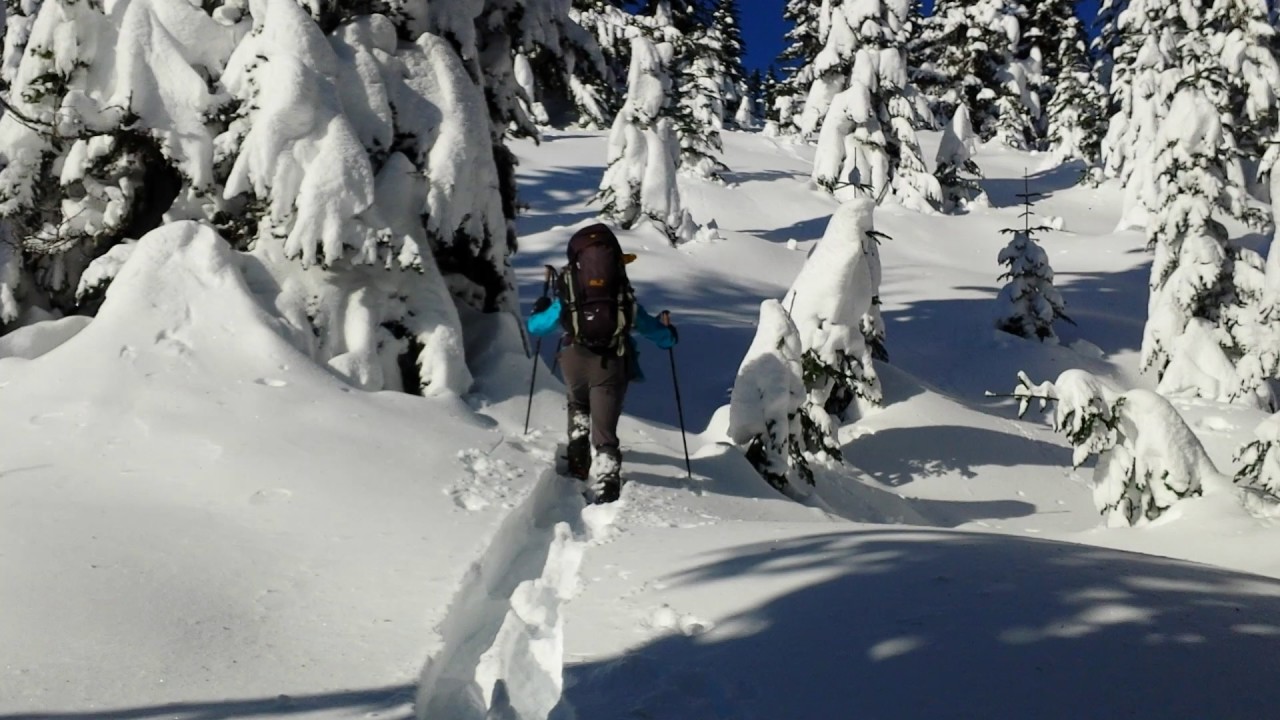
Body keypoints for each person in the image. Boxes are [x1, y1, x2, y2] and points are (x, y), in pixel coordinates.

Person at [526, 223, 678, 503]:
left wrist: (540, 309)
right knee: (605, 430)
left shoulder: (571, 294)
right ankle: (607, 487)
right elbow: (655, 333)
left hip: (573, 358)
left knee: (578, 404)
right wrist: (669, 334)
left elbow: (537, 328)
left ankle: (578, 458)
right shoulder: (621, 296)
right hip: (610, 363)